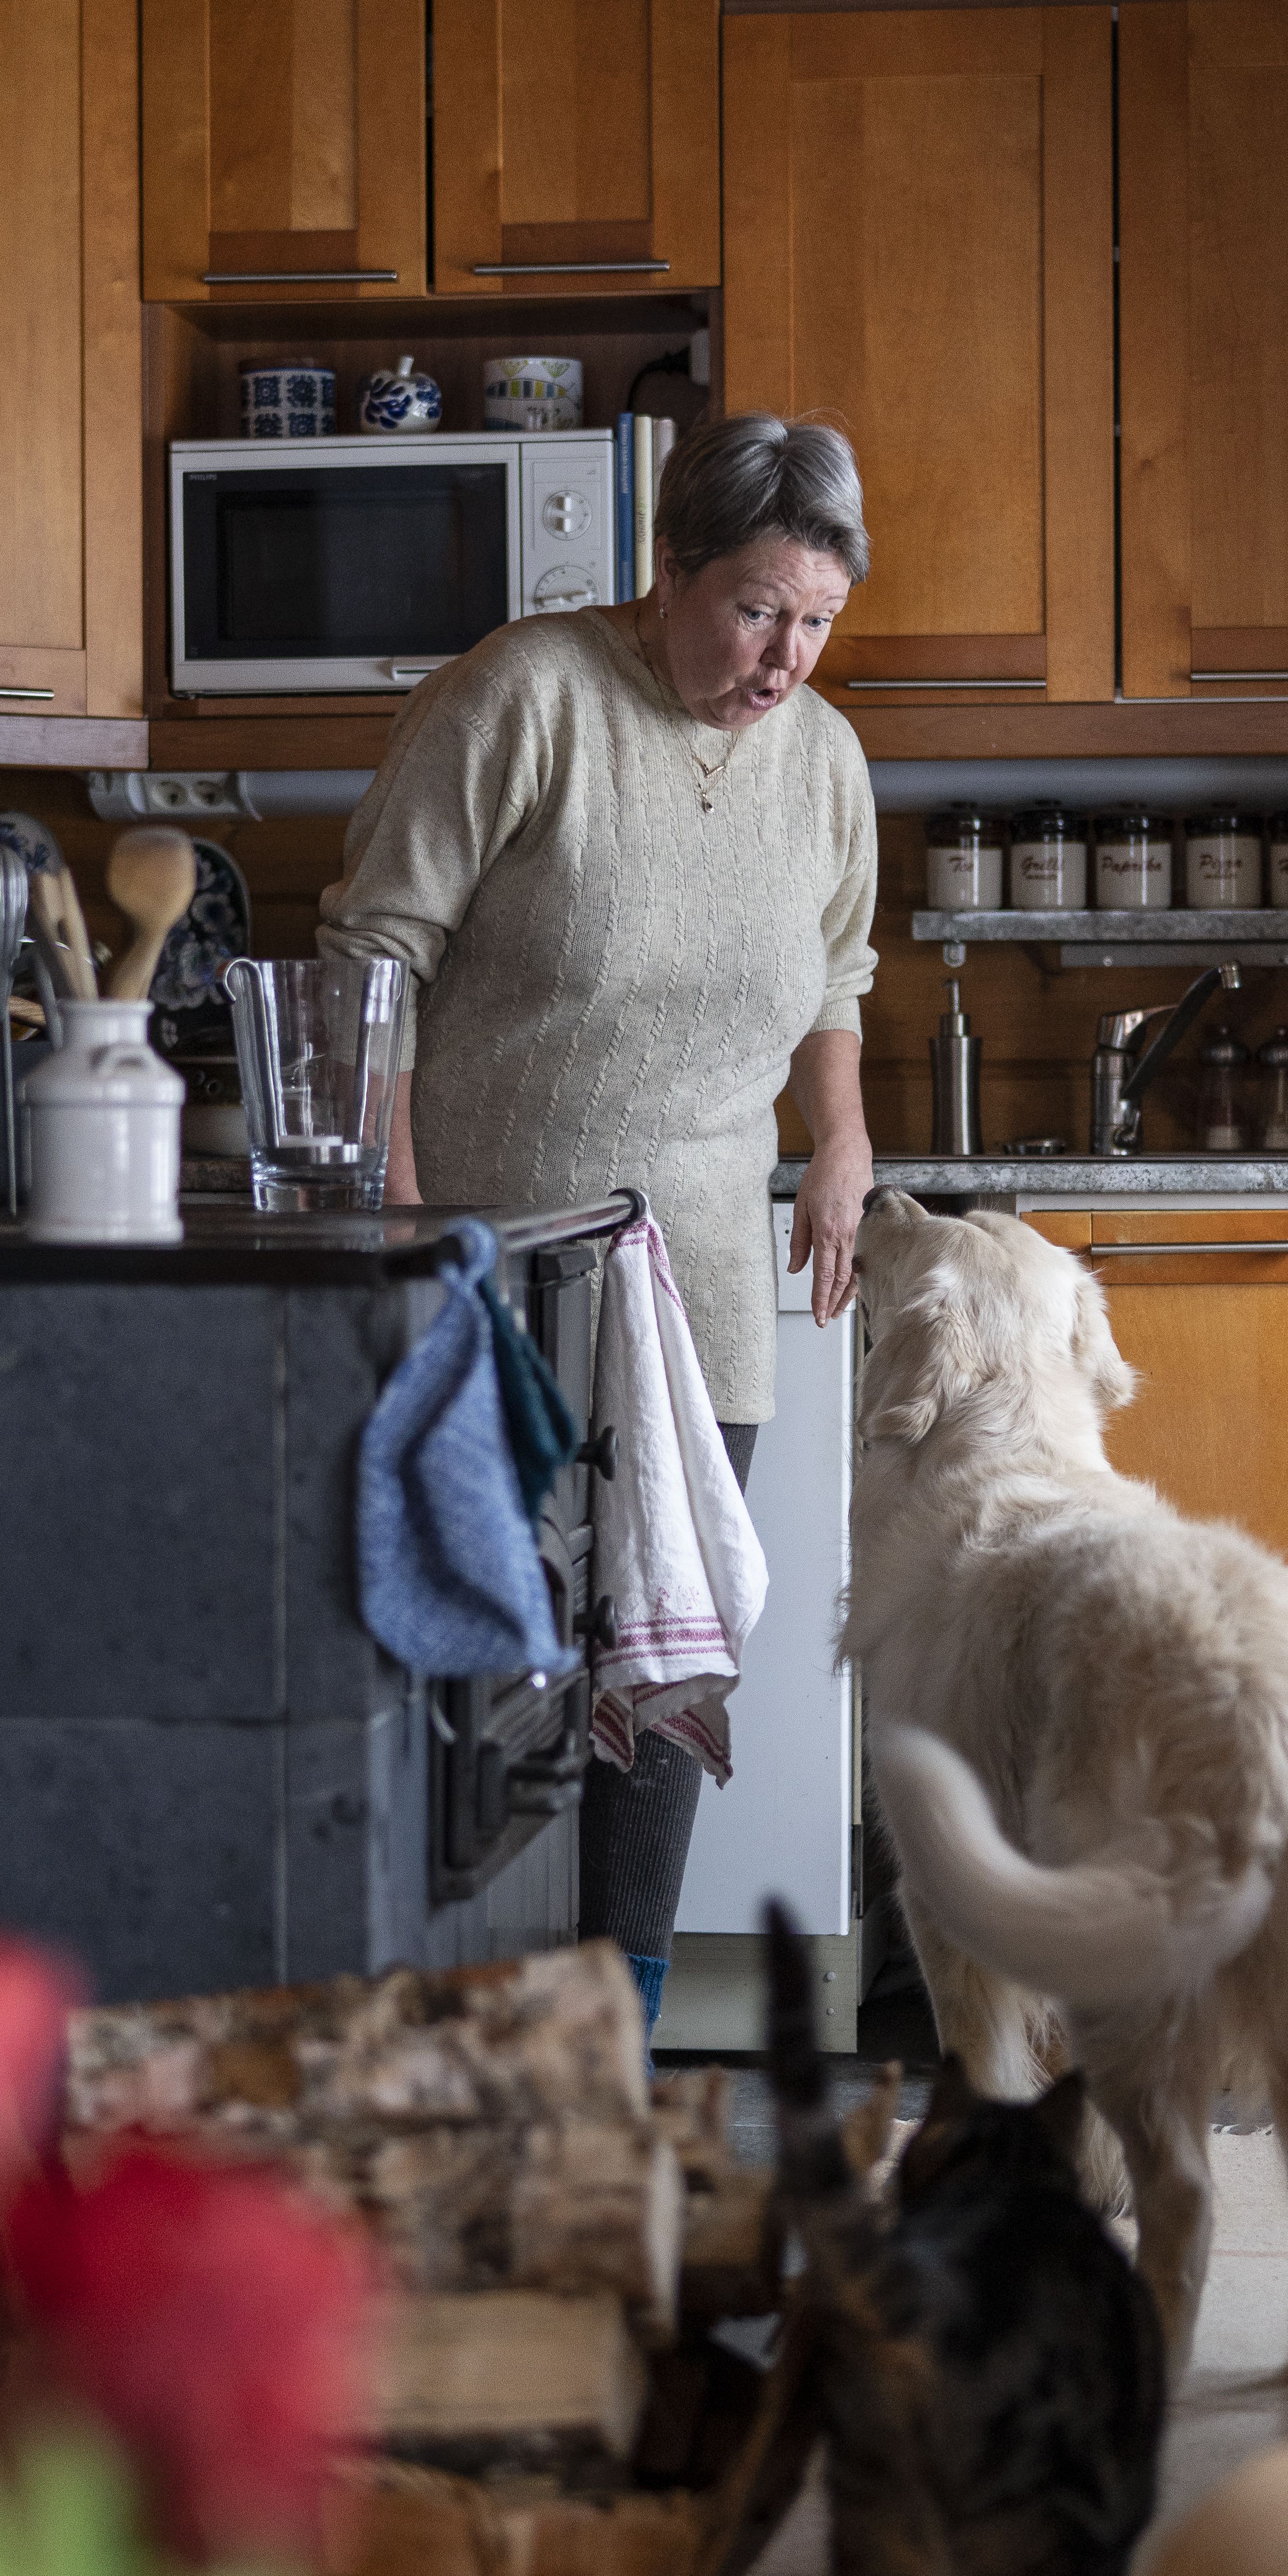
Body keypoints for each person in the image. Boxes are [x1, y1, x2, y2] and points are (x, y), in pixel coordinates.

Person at [318, 412, 879, 2028]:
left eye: (820, 620)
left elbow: (838, 968)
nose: (786, 657)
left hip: (697, 1277)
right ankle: (462, 2033)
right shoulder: (523, 697)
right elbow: (373, 959)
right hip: (498, 1273)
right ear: (672, 570)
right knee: (490, 1686)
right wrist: (406, 1225)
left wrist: (836, 1140)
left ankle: (611, 2052)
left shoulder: (824, 759)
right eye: (758, 608)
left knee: (654, 1676)